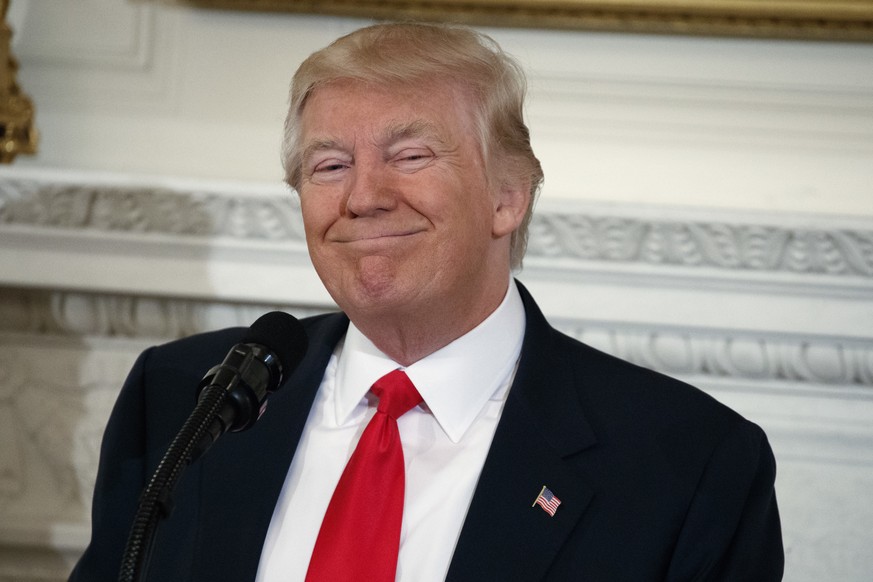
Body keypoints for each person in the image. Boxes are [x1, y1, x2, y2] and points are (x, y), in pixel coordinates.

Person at [70, 22, 783, 582]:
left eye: (410, 156)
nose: (363, 196)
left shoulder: (686, 463)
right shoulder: (187, 400)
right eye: (329, 165)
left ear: (508, 196)